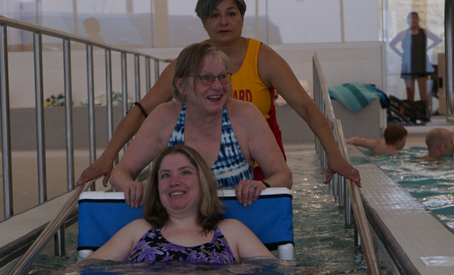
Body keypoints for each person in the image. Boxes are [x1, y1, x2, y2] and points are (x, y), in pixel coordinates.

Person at [76, 0, 361, 188]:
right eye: (214, 14)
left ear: (242, 18)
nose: (223, 21)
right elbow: (143, 109)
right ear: (203, 21)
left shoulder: (263, 58)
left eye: (231, 13)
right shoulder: (189, 63)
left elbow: (307, 108)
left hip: (260, 169)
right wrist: (108, 157)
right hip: (200, 170)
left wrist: (333, 153)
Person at [110, 43, 291, 208]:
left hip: (235, 232)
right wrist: (132, 188)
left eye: (222, 77)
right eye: (206, 78)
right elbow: (121, 171)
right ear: (181, 85)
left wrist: (262, 185)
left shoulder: (245, 116)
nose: (218, 86)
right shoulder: (164, 118)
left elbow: (283, 175)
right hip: (176, 231)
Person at [85, 145, 280, 263]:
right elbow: (84, 270)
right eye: (165, 175)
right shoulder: (138, 232)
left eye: (185, 172)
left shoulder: (231, 232)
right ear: (157, 188)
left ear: (203, 182)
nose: (174, 181)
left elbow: (279, 272)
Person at [389, 12, 441, 105]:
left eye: (415, 18)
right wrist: (400, 54)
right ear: (408, 21)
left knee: (423, 93)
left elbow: (438, 39)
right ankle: (412, 116)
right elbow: (391, 44)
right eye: (411, 18)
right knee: (410, 93)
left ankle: (423, 118)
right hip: (408, 66)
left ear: (418, 20)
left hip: (421, 65)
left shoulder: (424, 32)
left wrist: (428, 48)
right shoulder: (403, 33)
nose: (413, 20)